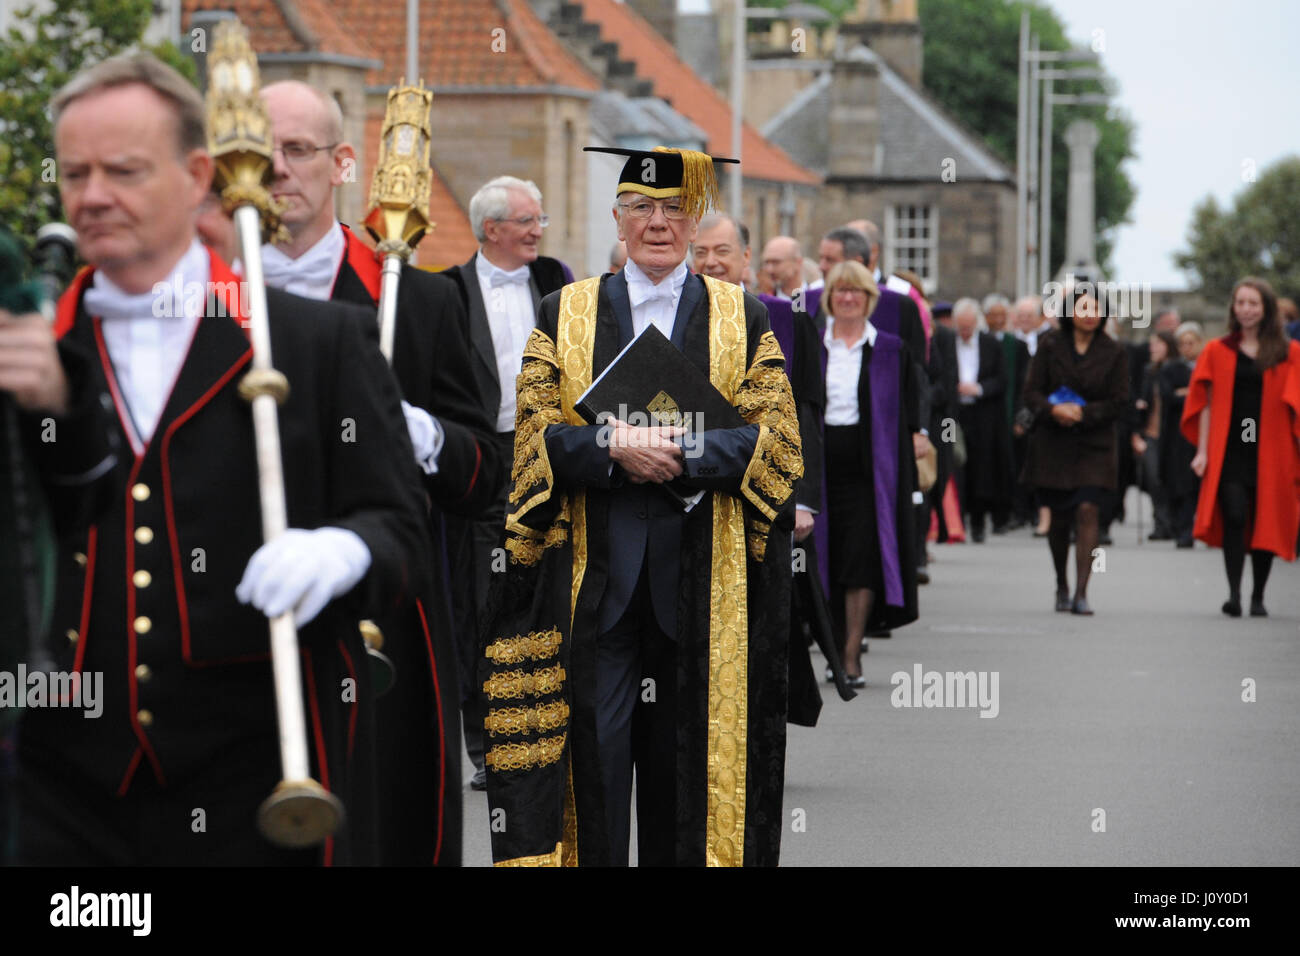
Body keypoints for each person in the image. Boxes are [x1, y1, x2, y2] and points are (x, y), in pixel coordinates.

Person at [18, 53, 428, 865]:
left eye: (124, 170)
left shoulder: (315, 343)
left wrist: (343, 550)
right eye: (75, 173)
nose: (93, 196)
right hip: (64, 783)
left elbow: (401, 531)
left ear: (198, 173)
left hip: (257, 775)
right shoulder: (38, 349)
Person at [479, 145, 802, 866]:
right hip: (595, 585)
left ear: (695, 221)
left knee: (684, 783)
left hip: (703, 588)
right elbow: (533, 440)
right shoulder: (564, 312)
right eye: (642, 209)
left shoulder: (740, 316)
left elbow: (775, 446)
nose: (658, 224)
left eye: (674, 210)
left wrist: (685, 452)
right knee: (590, 774)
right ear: (618, 219)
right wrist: (610, 448)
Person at [259, 79, 498, 864]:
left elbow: (485, 475)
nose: (276, 169)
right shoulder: (196, 295)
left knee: (382, 829)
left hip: (389, 620)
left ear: (343, 164)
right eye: (257, 152)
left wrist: (422, 433)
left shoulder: (421, 305)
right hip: (239, 611)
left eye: (297, 150)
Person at [440, 175, 569, 790]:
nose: (538, 230)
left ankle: (549, 730)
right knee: (480, 601)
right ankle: (486, 745)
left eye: (539, 220)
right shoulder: (446, 292)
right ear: (492, 229)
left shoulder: (557, 280)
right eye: (528, 221)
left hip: (549, 452)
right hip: (483, 457)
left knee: (549, 591)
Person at [818, 261, 923, 686]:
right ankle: (832, 644)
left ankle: (850, 654)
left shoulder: (890, 349)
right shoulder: (814, 346)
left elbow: (911, 407)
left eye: (856, 291)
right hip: (821, 470)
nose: (847, 298)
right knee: (828, 557)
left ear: (869, 299)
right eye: (840, 290)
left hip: (868, 472)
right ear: (829, 297)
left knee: (859, 561)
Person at [1182, 277, 1300, 617]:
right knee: (1234, 514)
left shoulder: (1287, 352)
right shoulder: (1218, 350)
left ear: (1266, 309)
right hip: (1231, 446)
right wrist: (1202, 451)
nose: (1246, 309)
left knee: (1265, 517)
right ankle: (1234, 592)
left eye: (1253, 303)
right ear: (1233, 308)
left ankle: (1258, 595)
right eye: (1241, 303)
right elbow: (1205, 402)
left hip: (1271, 448)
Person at [1021, 287, 1128, 615]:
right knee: (1060, 518)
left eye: (1096, 307)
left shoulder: (1114, 351)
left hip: (1095, 443)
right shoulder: (1050, 345)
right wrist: (1055, 411)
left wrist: (1084, 413)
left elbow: (1120, 400)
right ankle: (1061, 584)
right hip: (1054, 443)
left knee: (1087, 510)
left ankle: (1082, 590)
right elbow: (1031, 392)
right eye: (1083, 306)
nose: (1089, 313)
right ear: (1070, 311)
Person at [949, 298, 1009, 542]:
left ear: (976, 323)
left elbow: (1002, 380)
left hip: (982, 414)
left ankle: (978, 521)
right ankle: (954, 519)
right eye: (960, 327)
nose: (964, 332)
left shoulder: (991, 344)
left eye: (968, 327)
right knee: (952, 460)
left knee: (981, 465)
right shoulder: (946, 342)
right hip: (952, 417)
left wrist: (979, 389)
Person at [984, 293, 1029, 531]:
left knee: (1010, 463)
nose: (999, 320)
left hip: (1010, 413)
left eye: (1003, 315)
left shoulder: (1017, 346)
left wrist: (1021, 417)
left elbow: (1023, 384)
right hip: (985, 414)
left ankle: (1012, 511)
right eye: (995, 315)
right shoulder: (979, 341)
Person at [1131, 331, 1178, 540]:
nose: (1153, 349)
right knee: (1153, 479)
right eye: (1152, 345)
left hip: (1171, 434)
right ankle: (1161, 522)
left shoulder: (1176, 369)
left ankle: (1171, 523)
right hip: (1150, 431)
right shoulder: (1148, 371)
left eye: (1158, 344)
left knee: (1169, 478)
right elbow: (1141, 396)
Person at [1162, 322, 1204, 548]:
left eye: (1191, 343)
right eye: (1183, 344)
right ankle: (1183, 528)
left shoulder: (1206, 365)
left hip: (1203, 433)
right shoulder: (1171, 368)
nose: (1187, 348)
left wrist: (1187, 393)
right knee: (1181, 483)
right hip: (1177, 435)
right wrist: (1192, 394)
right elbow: (1169, 397)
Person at [692, 213, 751, 289]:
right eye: (701, 253)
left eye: (721, 251)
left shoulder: (761, 301)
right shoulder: (680, 300)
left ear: (746, 256)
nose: (710, 262)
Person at [759, 235, 804, 300]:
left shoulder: (817, 300)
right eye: (766, 262)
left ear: (797, 263)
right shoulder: (764, 303)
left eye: (776, 262)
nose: (769, 270)